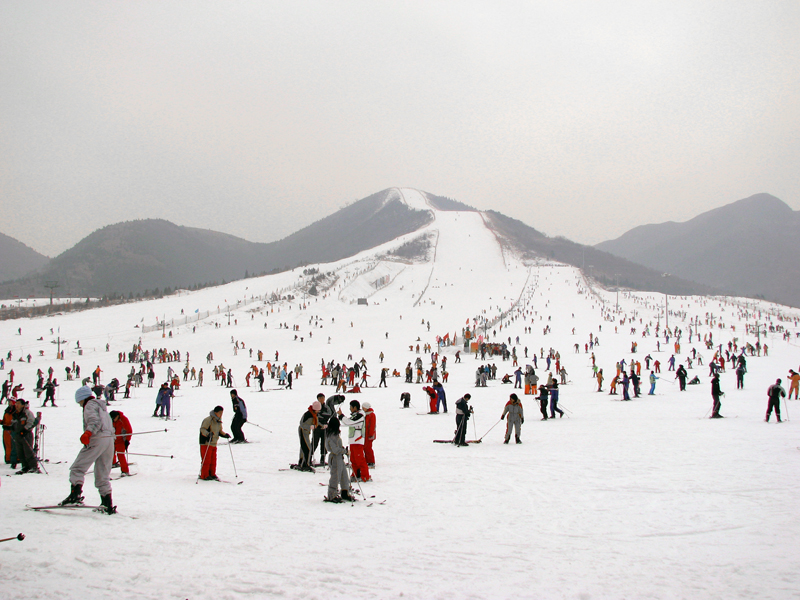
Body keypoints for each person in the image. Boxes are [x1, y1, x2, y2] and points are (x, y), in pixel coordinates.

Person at [60, 386, 116, 514]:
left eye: (79, 402)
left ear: (83, 398)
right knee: (103, 474)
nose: (80, 405)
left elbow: (94, 421)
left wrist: (88, 433)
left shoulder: (89, 405)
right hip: (109, 440)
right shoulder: (102, 408)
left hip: (98, 438)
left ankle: (75, 496)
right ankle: (107, 503)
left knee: (78, 468)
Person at [323, 416, 353, 502]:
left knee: (344, 475)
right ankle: (332, 495)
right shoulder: (331, 436)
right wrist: (344, 451)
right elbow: (335, 450)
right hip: (335, 458)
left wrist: (343, 450)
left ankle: (345, 492)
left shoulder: (334, 434)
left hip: (339, 458)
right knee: (335, 477)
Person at [338, 400, 370, 481]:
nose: (350, 409)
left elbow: (350, 422)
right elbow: (347, 422)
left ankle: (365, 476)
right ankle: (356, 475)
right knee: (353, 460)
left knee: (360, 459)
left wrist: (341, 416)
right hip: (353, 441)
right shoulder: (356, 415)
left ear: (355, 407)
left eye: (351, 407)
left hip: (357, 440)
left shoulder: (360, 416)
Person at [199, 406, 230, 480]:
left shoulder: (218, 420)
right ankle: (204, 475)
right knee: (207, 460)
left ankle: (212, 474)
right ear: (215, 412)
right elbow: (202, 429)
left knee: (213, 460)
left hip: (213, 442)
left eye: (222, 413)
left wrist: (224, 434)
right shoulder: (208, 420)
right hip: (206, 442)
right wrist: (208, 434)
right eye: (220, 413)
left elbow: (219, 431)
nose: (221, 414)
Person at [12, 399, 39, 474]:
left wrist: (25, 429)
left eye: (18, 404)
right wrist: (11, 427)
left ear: (23, 405)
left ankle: (34, 467)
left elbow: (31, 421)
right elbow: (13, 422)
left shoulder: (27, 413)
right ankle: (25, 466)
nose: (16, 405)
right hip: (18, 435)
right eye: (16, 403)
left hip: (26, 435)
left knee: (28, 451)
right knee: (20, 452)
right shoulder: (15, 413)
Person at [295, 401, 320, 471]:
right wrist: (310, 427)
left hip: (306, 432)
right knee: (308, 448)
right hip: (302, 431)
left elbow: (317, 423)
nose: (319, 411)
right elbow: (302, 424)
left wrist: (321, 426)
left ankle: (301, 462)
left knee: (304, 447)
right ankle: (306, 464)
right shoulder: (308, 414)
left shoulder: (314, 415)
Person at [109, 410, 133, 476]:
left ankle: (125, 471)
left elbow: (129, 430)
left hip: (121, 440)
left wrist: (127, 440)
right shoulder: (110, 420)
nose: (113, 420)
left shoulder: (123, 419)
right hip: (112, 439)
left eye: (114, 418)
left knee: (120, 455)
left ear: (117, 416)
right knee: (110, 453)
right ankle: (113, 463)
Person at [363, 402, 376, 467]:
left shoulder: (371, 415)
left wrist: (370, 434)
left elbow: (372, 425)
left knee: (368, 448)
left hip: (369, 435)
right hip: (365, 434)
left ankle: (371, 461)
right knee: (365, 448)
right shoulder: (365, 414)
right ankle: (367, 460)